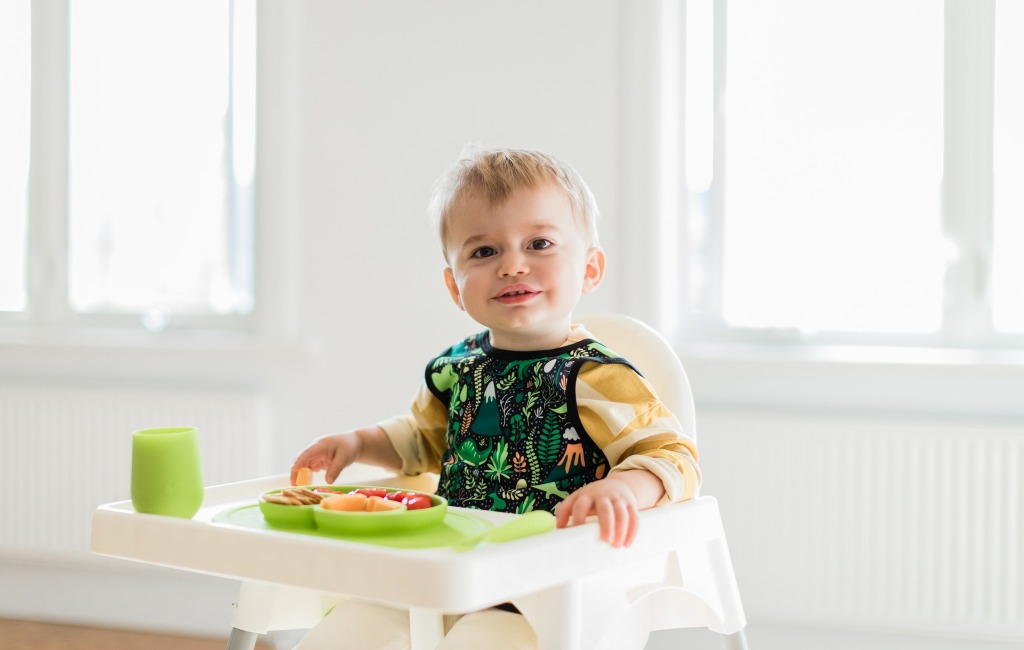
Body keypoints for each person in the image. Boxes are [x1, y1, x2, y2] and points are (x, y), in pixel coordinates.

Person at [289, 146, 701, 650]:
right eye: (484, 252)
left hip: (549, 591)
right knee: (350, 631)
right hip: (450, 571)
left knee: (481, 640)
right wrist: (356, 443)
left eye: (539, 243)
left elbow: (674, 456)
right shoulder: (455, 369)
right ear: (455, 287)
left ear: (590, 269)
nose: (512, 266)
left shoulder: (596, 377)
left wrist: (625, 488)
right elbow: (421, 439)